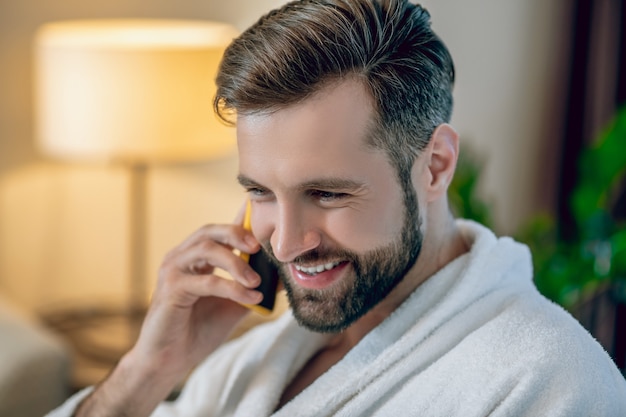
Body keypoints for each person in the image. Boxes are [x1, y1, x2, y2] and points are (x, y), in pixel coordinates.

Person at [47, 0, 626, 416]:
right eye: (261, 193)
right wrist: (149, 372)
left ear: (435, 166)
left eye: (327, 194)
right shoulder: (262, 356)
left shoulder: (551, 382)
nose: (284, 242)